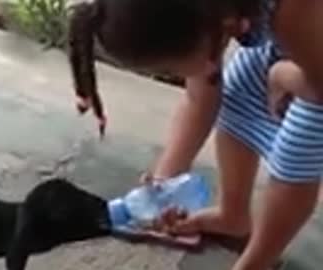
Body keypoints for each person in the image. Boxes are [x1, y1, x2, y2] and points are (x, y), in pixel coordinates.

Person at [66, 0, 323, 269]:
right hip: (299, 47)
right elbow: (199, 97)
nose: (170, 75)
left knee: (297, 145)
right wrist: (164, 184)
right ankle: (232, 216)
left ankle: (257, 262)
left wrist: (280, 75)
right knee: (238, 90)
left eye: (167, 70)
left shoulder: (290, 11)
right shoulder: (204, 11)